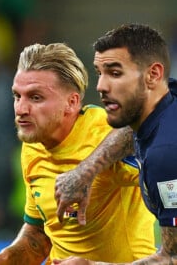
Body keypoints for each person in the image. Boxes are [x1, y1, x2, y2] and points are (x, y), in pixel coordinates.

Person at [0, 42, 156, 265]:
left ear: (71, 103)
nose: (21, 109)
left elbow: (151, 123)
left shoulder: (104, 134)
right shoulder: (33, 145)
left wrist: (85, 171)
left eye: (36, 98)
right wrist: (2, 260)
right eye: (17, 96)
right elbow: (40, 233)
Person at [53, 23, 177, 265]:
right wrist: (85, 172)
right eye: (99, 72)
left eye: (115, 73)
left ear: (153, 75)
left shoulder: (164, 158)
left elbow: (173, 258)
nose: (100, 86)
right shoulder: (168, 96)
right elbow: (132, 132)